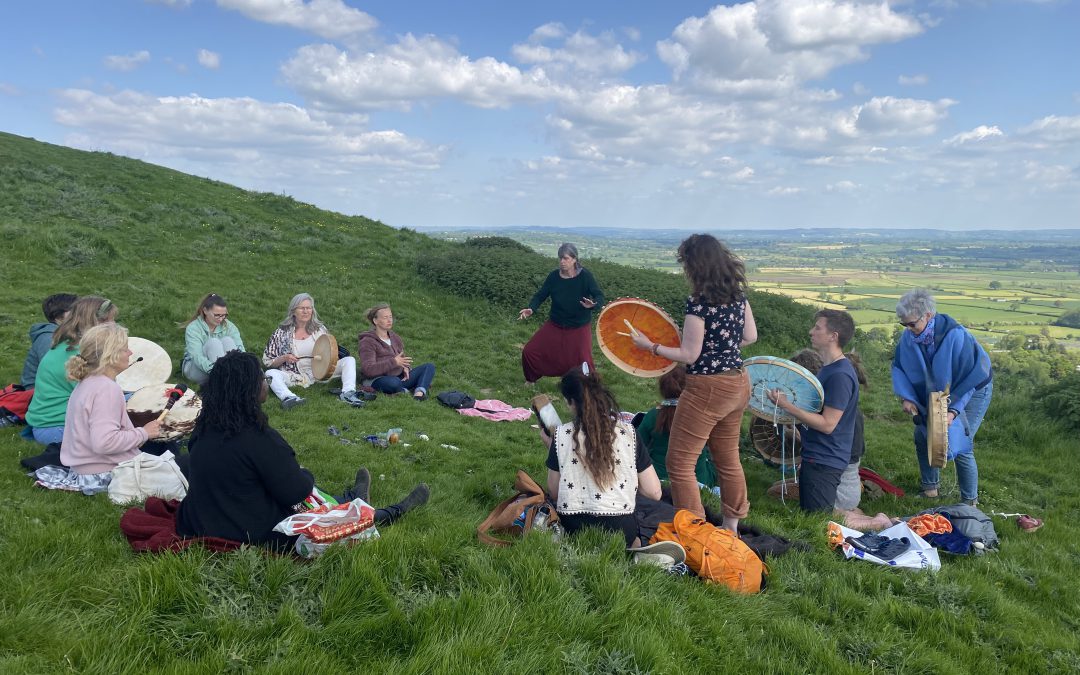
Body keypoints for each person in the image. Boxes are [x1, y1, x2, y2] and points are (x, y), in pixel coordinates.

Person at [176, 352, 429, 551]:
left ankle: (352, 498)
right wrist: (304, 473)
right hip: (251, 532)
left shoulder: (204, 427)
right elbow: (295, 492)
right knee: (319, 513)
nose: (265, 383)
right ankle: (391, 512)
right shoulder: (258, 438)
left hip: (201, 521)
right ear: (248, 391)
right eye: (261, 379)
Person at [631, 234, 756, 531]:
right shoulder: (739, 296)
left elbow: (689, 354)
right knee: (728, 459)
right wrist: (722, 348)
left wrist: (649, 346)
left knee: (680, 462)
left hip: (707, 387)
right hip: (738, 381)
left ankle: (695, 530)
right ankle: (731, 528)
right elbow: (751, 337)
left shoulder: (699, 304)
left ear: (694, 266)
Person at [33, 323, 164, 494]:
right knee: (181, 467)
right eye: (125, 349)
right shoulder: (106, 389)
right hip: (105, 474)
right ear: (110, 355)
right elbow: (104, 443)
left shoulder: (88, 381)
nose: (130, 353)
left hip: (84, 471)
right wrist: (144, 433)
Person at [543, 367, 663, 548]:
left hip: (574, 528)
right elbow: (654, 492)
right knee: (638, 537)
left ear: (572, 402)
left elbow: (554, 492)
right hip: (621, 529)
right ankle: (635, 550)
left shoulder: (561, 435)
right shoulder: (629, 433)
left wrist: (552, 447)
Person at [892, 289, 992, 505]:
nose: (908, 330)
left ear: (927, 316)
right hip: (936, 391)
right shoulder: (910, 336)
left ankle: (969, 502)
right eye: (904, 325)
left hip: (972, 388)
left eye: (911, 324)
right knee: (922, 435)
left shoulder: (956, 336)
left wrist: (953, 411)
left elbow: (969, 377)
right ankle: (930, 488)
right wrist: (906, 398)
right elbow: (900, 367)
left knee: (959, 441)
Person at [768, 310, 869, 517]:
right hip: (816, 455)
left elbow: (827, 424)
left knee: (820, 521)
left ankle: (880, 522)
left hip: (826, 459)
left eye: (817, 328)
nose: (811, 331)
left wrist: (788, 406)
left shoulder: (840, 374)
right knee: (810, 516)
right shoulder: (828, 368)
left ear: (834, 336)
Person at [789, 348, 892, 530]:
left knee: (819, 518)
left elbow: (839, 458)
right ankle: (856, 513)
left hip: (840, 484)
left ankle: (876, 522)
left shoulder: (840, 413)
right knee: (781, 488)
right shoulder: (825, 404)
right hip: (835, 478)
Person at [25, 296, 118, 445]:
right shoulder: (77, 354)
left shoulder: (70, 345)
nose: (113, 325)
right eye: (107, 321)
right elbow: (97, 400)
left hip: (59, 423)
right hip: (56, 427)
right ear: (93, 323)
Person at [262, 293, 366, 410]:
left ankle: (348, 393)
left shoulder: (319, 330)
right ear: (293, 311)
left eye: (309, 308)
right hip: (294, 375)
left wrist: (331, 356)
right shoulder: (280, 333)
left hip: (321, 372)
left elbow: (329, 350)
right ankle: (290, 398)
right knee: (270, 374)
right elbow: (268, 361)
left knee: (349, 360)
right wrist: (284, 358)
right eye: (302, 308)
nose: (306, 311)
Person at [518, 243, 605, 383]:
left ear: (574, 259)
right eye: (560, 258)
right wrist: (531, 308)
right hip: (556, 323)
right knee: (530, 351)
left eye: (565, 258)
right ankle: (530, 380)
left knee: (585, 363)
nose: (562, 262)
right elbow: (540, 295)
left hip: (579, 326)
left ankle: (590, 390)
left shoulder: (585, 276)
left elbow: (599, 295)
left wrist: (593, 305)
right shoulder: (554, 277)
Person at [636, 365, 717, 489]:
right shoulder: (703, 416)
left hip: (657, 478)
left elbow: (636, 446)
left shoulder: (652, 416)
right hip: (698, 480)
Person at [358, 304, 435, 400]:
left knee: (429, 367)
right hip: (378, 379)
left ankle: (419, 394)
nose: (389, 320)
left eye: (390, 317)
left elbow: (402, 358)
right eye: (385, 317)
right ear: (375, 321)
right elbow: (368, 369)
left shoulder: (395, 337)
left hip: (399, 377)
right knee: (394, 383)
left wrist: (405, 367)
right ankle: (405, 390)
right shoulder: (367, 341)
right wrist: (394, 362)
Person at [181, 293, 244, 386]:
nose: (221, 319)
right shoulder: (193, 328)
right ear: (205, 310)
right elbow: (196, 357)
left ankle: (231, 380)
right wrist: (218, 371)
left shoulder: (230, 326)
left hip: (226, 371)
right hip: (196, 369)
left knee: (228, 340)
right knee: (214, 343)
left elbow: (241, 350)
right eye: (217, 315)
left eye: (224, 315)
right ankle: (224, 382)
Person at [21, 293, 77, 387]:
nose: (80, 315)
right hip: (39, 395)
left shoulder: (65, 334)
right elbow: (59, 374)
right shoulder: (48, 338)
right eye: (75, 311)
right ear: (58, 317)